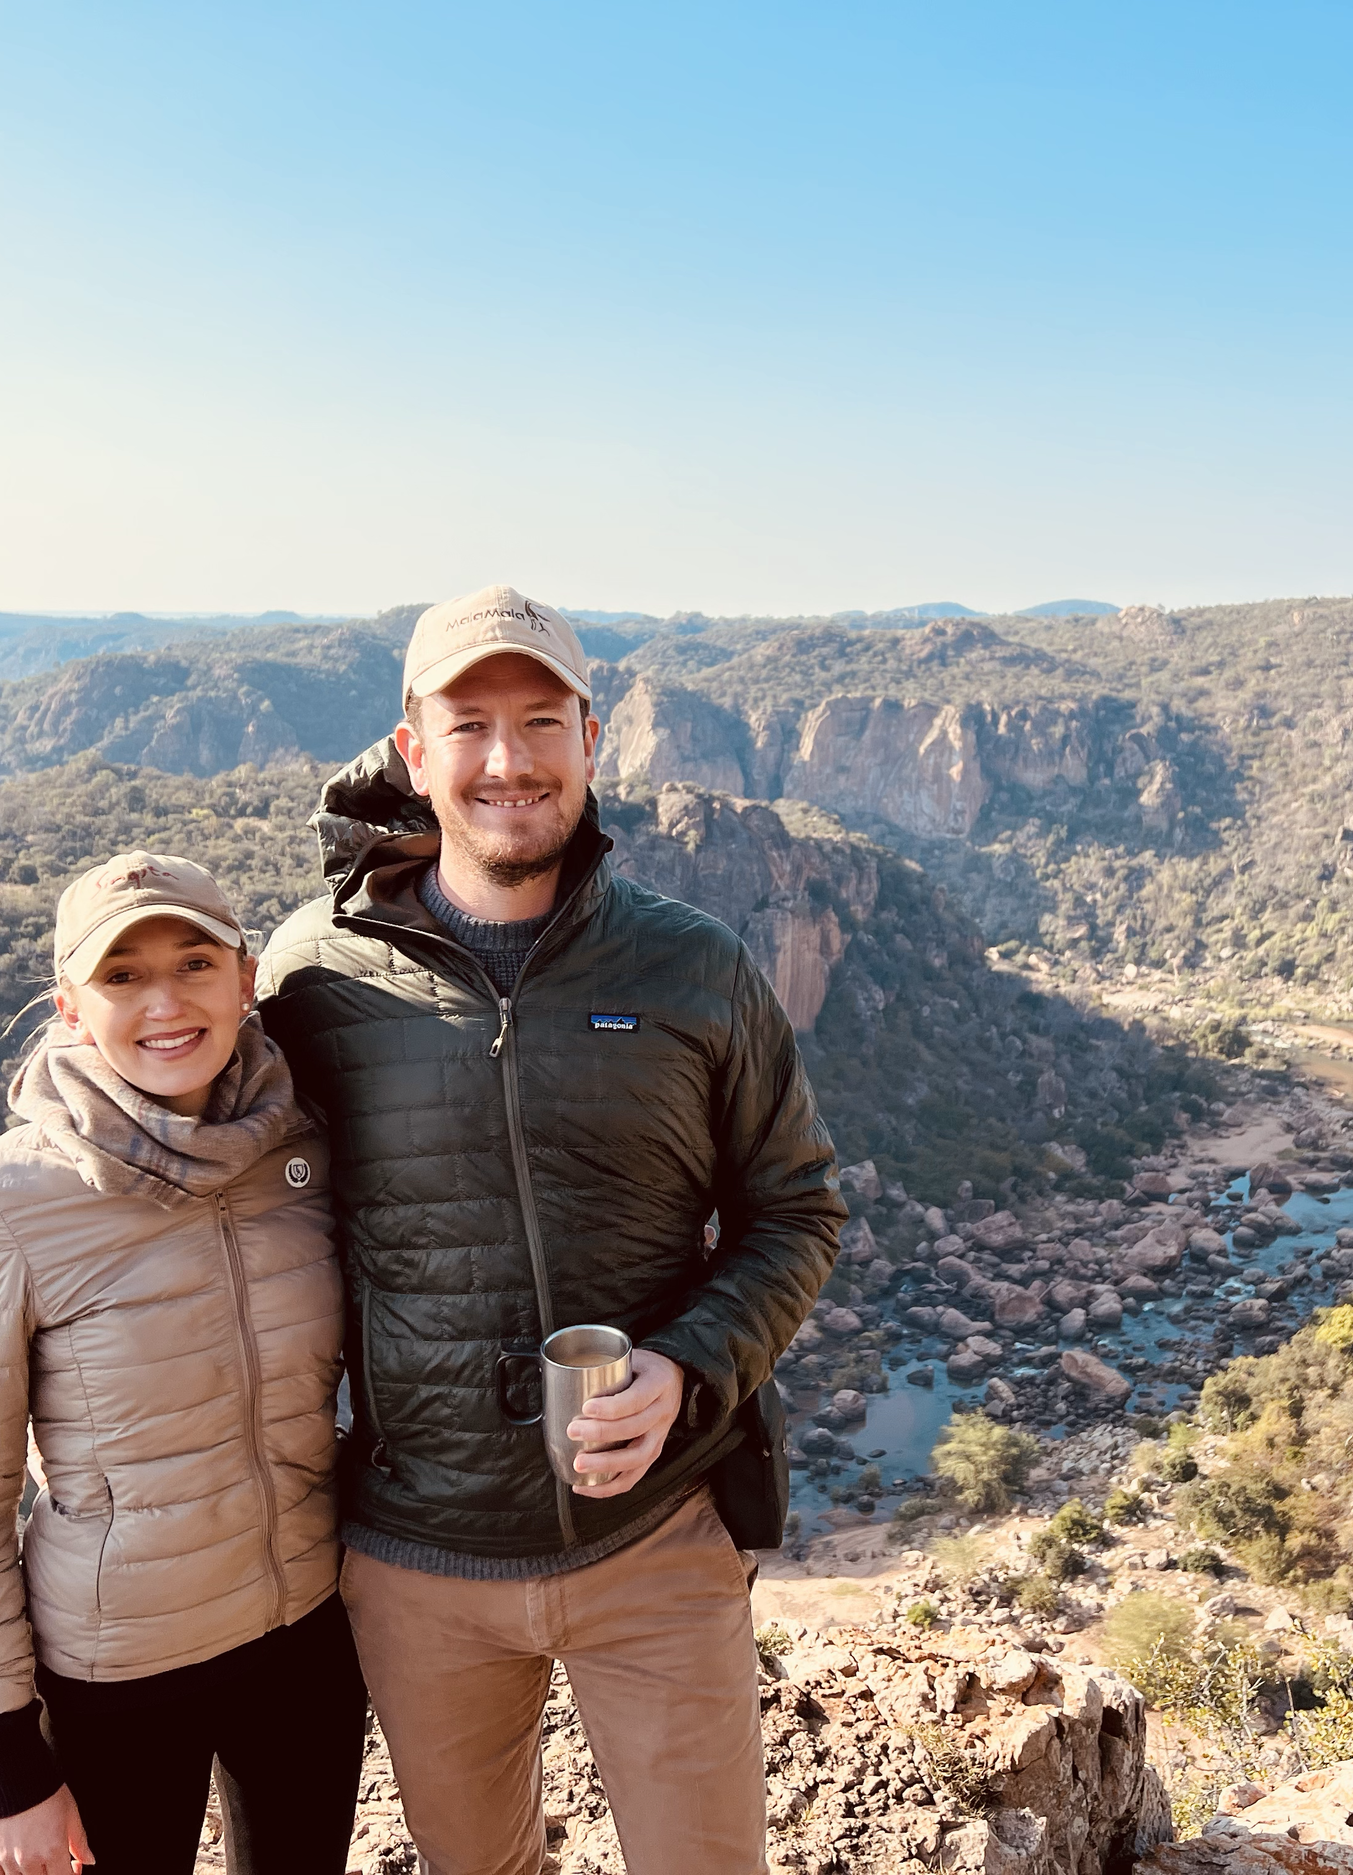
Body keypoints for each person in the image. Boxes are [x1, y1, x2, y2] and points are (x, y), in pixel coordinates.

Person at [258, 584, 846, 1875]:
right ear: (414, 750)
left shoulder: (695, 969)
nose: (508, 760)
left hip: (657, 1538)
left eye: (540, 721)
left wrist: (688, 1364)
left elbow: (797, 1206)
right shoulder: (310, 979)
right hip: (420, 1563)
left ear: (594, 734)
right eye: (470, 725)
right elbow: (205, 1194)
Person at [0, 853, 369, 1875]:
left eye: (193, 963)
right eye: (121, 976)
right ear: (71, 1004)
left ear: (245, 980)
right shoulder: (3, 1202)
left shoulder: (304, 1149)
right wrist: (4, 1761)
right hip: (118, 1673)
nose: (165, 1003)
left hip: (304, 1640)